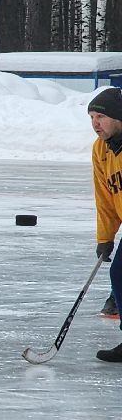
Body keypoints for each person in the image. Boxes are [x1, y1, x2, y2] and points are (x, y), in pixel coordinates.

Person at [87, 89, 122, 361]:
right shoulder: (101, 149)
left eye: (101, 117)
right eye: (91, 118)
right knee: (119, 274)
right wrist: (105, 237)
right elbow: (105, 198)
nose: (95, 124)